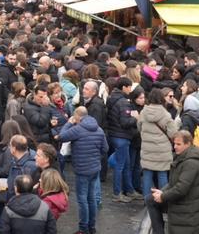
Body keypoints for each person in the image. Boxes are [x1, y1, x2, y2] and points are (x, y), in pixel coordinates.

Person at [146, 130, 199, 234]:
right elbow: (174, 183)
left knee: (152, 201)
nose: (175, 147)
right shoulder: (183, 157)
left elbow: (181, 189)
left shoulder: (191, 162)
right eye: (174, 144)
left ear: (188, 144)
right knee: (150, 199)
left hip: (188, 208)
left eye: (178, 144)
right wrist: (162, 192)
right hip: (184, 202)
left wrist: (163, 196)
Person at [58, 106, 107, 234]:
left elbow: (61, 136)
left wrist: (69, 123)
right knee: (91, 198)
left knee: (82, 200)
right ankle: (92, 227)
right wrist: (95, 158)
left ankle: (83, 228)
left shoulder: (77, 129)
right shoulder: (99, 129)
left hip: (82, 170)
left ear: (77, 116)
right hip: (95, 168)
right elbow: (105, 149)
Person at [138, 88, 177, 201]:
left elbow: (139, 127)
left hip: (147, 149)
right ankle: (162, 200)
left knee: (147, 175)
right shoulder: (166, 114)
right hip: (163, 151)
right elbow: (173, 133)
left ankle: (147, 201)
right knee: (162, 174)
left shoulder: (143, 112)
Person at [105, 77, 139, 202]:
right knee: (120, 166)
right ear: (124, 87)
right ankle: (117, 193)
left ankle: (129, 190)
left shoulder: (112, 98)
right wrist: (136, 118)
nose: (130, 90)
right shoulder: (124, 102)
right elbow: (125, 122)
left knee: (126, 165)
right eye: (129, 87)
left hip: (115, 134)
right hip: (122, 136)